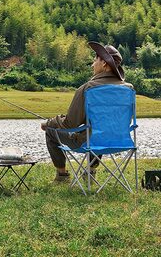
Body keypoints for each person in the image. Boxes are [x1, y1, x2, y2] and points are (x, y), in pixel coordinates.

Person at [41, 41, 133, 182]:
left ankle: (62, 176)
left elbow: (70, 123)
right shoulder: (128, 89)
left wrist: (49, 123)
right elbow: (123, 119)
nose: (92, 64)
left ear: (104, 64)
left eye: (95, 59)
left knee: (51, 131)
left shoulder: (88, 88)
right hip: (120, 140)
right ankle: (90, 172)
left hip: (90, 142)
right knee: (99, 129)